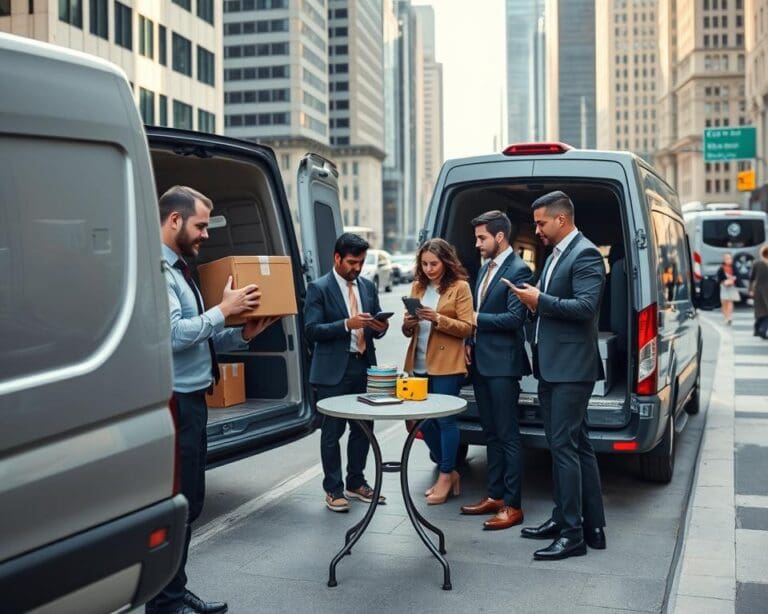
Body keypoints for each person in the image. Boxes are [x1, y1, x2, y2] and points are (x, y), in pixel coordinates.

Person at [150, 186, 278, 614]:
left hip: (192, 401)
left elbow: (198, 337)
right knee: (179, 502)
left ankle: (174, 590)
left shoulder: (181, 270)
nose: (206, 234)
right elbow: (173, 336)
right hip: (174, 403)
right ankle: (165, 601)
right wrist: (224, 310)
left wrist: (243, 334)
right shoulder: (159, 272)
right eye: (201, 225)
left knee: (191, 500)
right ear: (174, 220)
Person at [509, 190, 606, 561]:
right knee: (576, 445)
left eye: (541, 222)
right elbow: (554, 307)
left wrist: (539, 301)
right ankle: (588, 525)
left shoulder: (586, 254)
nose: (537, 230)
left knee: (563, 447)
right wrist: (533, 302)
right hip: (553, 366)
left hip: (571, 369)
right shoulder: (555, 254)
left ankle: (572, 535)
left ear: (561, 219)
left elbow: (585, 307)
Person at [304, 233, 389, 512]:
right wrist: (346, 324)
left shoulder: (367, 286)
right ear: (337, 258)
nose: (357, 268)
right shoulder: (318, 288)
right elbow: (311, 330)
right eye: (352, 262)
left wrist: (380, 328)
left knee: (364, 428)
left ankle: (356, 481)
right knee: (332, 432)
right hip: (332, 371)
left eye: (361, 262)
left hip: (364, 366)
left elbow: (375, 322)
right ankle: (333, 489)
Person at [459, 210, 532, 530]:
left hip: (503, 365)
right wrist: (469, 341)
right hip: (481, 363)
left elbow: (515, 319)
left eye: (482, 238)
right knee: (490, 433)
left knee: (507, 435)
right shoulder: (484, 268)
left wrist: (475, 319)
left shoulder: (519, 269)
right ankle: (495, 495)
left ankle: (513, 506)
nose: (477, 244)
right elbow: (480, 310)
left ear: (500, 237)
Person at [401, 239, 474, 505]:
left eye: (434, 263)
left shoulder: (460, 287)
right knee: (420, 420)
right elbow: (408, 332)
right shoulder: (417, 287)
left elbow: (467, 327)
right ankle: (450, 470)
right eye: (424, 264)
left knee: (445, 421)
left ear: (446, 261)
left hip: (447, 364)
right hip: (418, 363)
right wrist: (408, 323)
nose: (429, 269)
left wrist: (438, 319)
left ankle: (445, 474)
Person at [750, 244, 768, 339]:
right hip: (764, 290)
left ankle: (757, 330)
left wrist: (750, 289)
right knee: (764, 311)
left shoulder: (756, 263)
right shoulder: (758, 263)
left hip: (758, 290)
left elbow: (751, 277)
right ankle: (762, 330)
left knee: (760, 311)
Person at [717, 253, 740, 325]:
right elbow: (719, 278)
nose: (729, 260)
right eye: (727, 258)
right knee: (724, 303)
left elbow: (738, 276)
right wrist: (724, 281)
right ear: (724, 259)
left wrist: (734, 279)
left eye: (730, 258)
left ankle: (729, 317)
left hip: (732, 286)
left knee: (730, 301)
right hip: (724, 287)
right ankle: (725, 317)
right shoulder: (721, 268)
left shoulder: (734, 267)